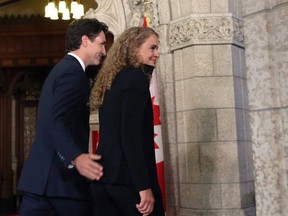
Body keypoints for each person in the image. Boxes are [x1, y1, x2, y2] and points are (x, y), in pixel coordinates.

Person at [17, 18, 108, 216]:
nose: (104, 51)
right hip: (58, 185)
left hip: (45, 183)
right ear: (85, 40)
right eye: (101, 43)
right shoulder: (72, 73)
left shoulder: (63, 69)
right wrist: (77, 157)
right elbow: (53, 119)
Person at [89, 27, 165, 216]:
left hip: (106, 177)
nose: (157, 53)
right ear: (135, 49)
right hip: (127, 181)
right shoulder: (136, 79)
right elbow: (130, 136)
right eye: (152, 48)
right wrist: (143, 186)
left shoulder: (115, 78)